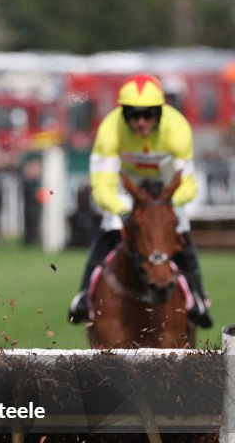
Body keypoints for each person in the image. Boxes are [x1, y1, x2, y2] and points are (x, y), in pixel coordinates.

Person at [67, 74, 210, 327]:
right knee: (109, 230)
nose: (141, 122)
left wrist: (165, 206)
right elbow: (102, 186)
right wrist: (122, 211)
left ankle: (198, 297)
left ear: (160, 112)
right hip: (127, 191)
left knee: (181, 232)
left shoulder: (178, 129)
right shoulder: (110, 129)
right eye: (133, 114)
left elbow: (188, 184)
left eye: (148, 114)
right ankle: (83, 296)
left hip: (166, 193)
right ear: (124, 114)